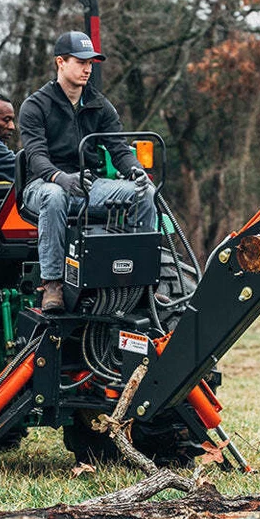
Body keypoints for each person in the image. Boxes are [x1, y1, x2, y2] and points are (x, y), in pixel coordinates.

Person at [19, 31, 155, 313]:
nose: (87, 68)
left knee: (145, 194)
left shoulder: (99, 104)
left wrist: (136, 171)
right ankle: (53, 283)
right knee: (55, 196)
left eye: (91, 62)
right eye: (80, 61)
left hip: (89, 185)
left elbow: (118, 149)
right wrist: (60, 177)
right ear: (60, 62)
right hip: (44, 185)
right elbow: (35, 157)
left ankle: (141, 282)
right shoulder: (35, 106)